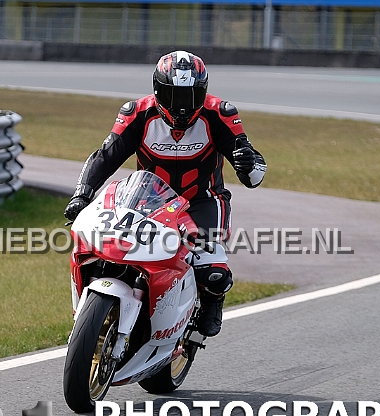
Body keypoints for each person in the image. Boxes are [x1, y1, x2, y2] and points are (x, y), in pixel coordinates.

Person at [64, 50, 267, 337]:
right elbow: (105, 157)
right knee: (111, 250)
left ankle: (212, 301)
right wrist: (81, 195)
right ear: (157, 91)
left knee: (213, 273)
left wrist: (247, 164)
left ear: (204, 93)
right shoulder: (137, 112)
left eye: (190, 97)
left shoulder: (220, 113)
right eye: (173, 97)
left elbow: (254, 177)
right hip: (147, 201)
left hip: (202, 202)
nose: (182, 108)